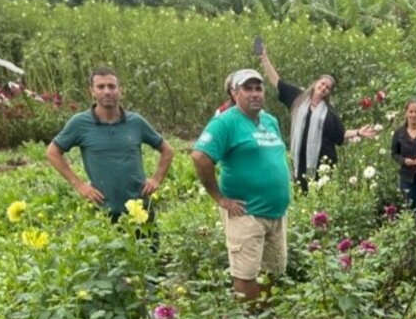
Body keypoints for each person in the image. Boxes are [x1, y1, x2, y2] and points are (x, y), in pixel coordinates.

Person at [191, 68, 291, 304]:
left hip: (276, 213)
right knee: (246, 276)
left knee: (271, 272)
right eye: (248, 88)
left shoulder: (270, 121)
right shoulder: (225, 123)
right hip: (246, 213)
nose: (255, 93)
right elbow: (199, 156)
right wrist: (220, 198)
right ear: (235, 93)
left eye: (258, 88)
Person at [46, 66, 174, 223]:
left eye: (112, 86)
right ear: (91, 91)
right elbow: (52, 152)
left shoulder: (136, 122)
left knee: (149, 247)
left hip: (140, 209)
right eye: (100, 86)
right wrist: (79, 185)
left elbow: (167, 150)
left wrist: (156, 179)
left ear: (120, 90)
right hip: (104, 212)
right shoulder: (80, 123)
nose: (107, 91)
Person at [258, 46, 376, 192]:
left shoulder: (330, 113)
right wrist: (264, 59)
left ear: (328, 93)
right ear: (315, 83)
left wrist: (358, 132)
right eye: (322, 83)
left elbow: (340, 134)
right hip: (299, 160)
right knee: (299, 193)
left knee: (318, 197)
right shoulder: (298, 98)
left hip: (322, 165)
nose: (324, 87)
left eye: (328, 87)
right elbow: (277, 81)